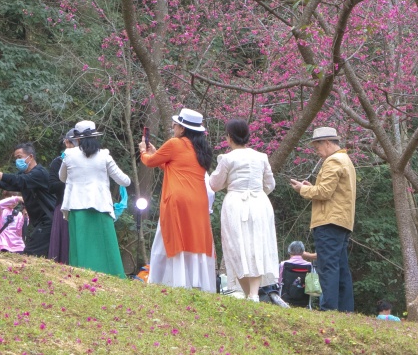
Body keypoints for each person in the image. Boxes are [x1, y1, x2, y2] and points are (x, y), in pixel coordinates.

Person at [138, 107, 216, 291]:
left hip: (178, 199)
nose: (173, 127)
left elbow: (150, 162)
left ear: (182, 128)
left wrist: (143, 152)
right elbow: (176, 168)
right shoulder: (203, 149)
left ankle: (164, 280)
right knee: (194, 240)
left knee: (169, 238)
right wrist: (157, 152)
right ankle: (196, 283)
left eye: (175, 125)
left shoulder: (175, 143)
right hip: (199, 201)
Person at [208, 118, 278, 300]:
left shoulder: (227, 159)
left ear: (229, 137)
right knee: (256, 245)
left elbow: (214, 184)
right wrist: (257, 191)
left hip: (236, 204)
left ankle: (251, 294)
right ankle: (252, 294)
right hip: (259, 203)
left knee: (236, 247)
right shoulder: (261, 157)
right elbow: (270, 184)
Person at [289, 126, 356, 312]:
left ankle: (328, 308)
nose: (316, 151)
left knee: (327, 267)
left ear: (327, 143)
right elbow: (333, 191)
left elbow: (324, 192)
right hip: (342, 220)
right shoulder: (346, 160)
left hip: (328, 220)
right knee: (341, 267)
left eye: (317, 146)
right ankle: (345, 310)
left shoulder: (333, 160)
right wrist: (311, 187)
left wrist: (303, 189)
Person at [57, 121, 131, 276]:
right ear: (95, 137)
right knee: (104, 243)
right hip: (100, 205)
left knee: (81, 243)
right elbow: (125, 181)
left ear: (77, 139)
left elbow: (62, 177)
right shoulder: (104, 156)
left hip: (77, 205)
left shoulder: (69, 155)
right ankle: (112, 274)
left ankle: (80, 274)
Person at [0, 141, 58, 257]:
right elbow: (8, 184)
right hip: (39, 223)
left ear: (30, 157)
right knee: (38, 255)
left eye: (19, 157)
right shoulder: (24, 175)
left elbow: (18, 181)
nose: (17, 161)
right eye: (16, 158)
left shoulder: (39, 173)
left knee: (30, 254)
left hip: (49, 221)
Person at [45, 129, 75, 264]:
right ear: (66, 143)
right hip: (64, 206)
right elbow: (52, 187)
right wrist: (70, 181)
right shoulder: (58, 162)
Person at [279, 240, 313, 309]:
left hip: (286, 298)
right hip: (304, 300)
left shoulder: (283, 264)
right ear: (303, 252)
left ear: (289, 251)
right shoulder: (310, 266)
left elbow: (278, 281)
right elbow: (311, 285)